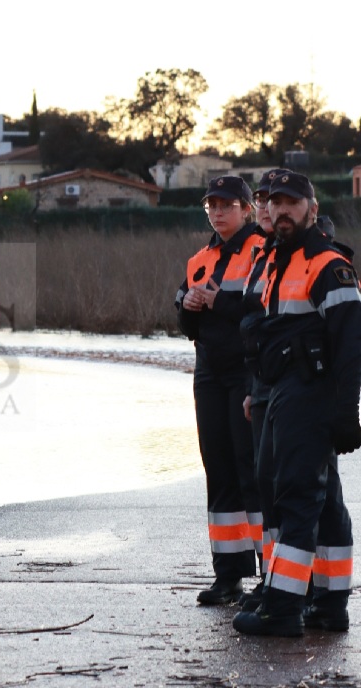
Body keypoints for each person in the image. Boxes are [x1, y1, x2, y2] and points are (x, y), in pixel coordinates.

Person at [233, 172, 361, 637]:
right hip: (282, 390)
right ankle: (328, 603)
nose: (280, 210)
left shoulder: (327, 265)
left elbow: (350, 347)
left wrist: (349, 413)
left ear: (312, 206)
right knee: (312, 499)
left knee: (297, 496)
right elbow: (266, 334)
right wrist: (257, 388)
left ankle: (283, 607)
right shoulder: (277, 261)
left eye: (291, 202)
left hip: (312, 394)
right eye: (273, 201)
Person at [176, 176, 265, 605]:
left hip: (248, 372)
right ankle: (228, 574)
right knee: (219, 470)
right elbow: (185, 323)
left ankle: (271, 575)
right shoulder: (199, 258)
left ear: (246, 209)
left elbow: (263, 312)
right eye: (212, 204)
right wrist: (187, 307)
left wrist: (216, 303)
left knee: (252, 470)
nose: (218, 211)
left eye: (227, 204)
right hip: (208, 372)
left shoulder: (261, 251)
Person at [237, 168, 290, 612]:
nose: (267, 207)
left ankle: (314, 594)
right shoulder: (266, 257)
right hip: (265, 386)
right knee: (268, 482)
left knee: (305, 492)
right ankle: (274, 580)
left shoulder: (317, 256)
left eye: (276, 200)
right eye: (262, 200)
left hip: (300, 390)